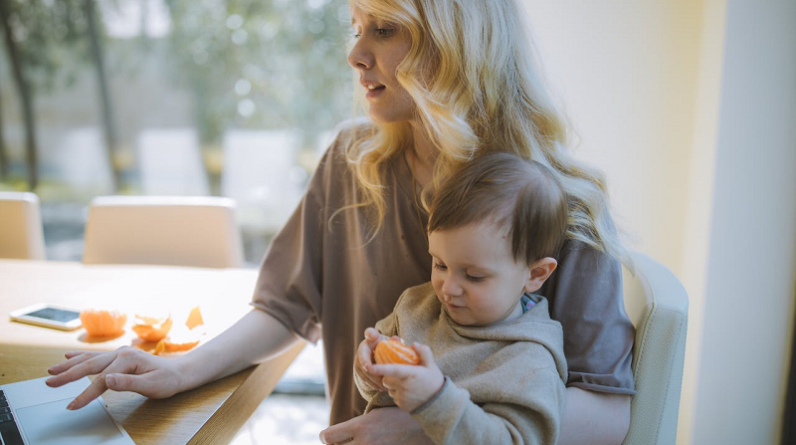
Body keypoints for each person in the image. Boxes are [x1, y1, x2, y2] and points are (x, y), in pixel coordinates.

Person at [46, 0, 636, 444]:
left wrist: (425, 426)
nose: (356, 53)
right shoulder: (352, 162)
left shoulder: (561, 202)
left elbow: (608, 412)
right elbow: (283, 308)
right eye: (357, 27)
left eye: (385, 28)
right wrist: (178, 371)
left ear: (457, 43)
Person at [354, 152, 569, 445]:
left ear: (535, 274)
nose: (448, 288)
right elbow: (377, 393)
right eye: (440, 265)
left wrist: (435, 400)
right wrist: (369, 370)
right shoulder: (416, 306)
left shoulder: (529, 362)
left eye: (474, 276)